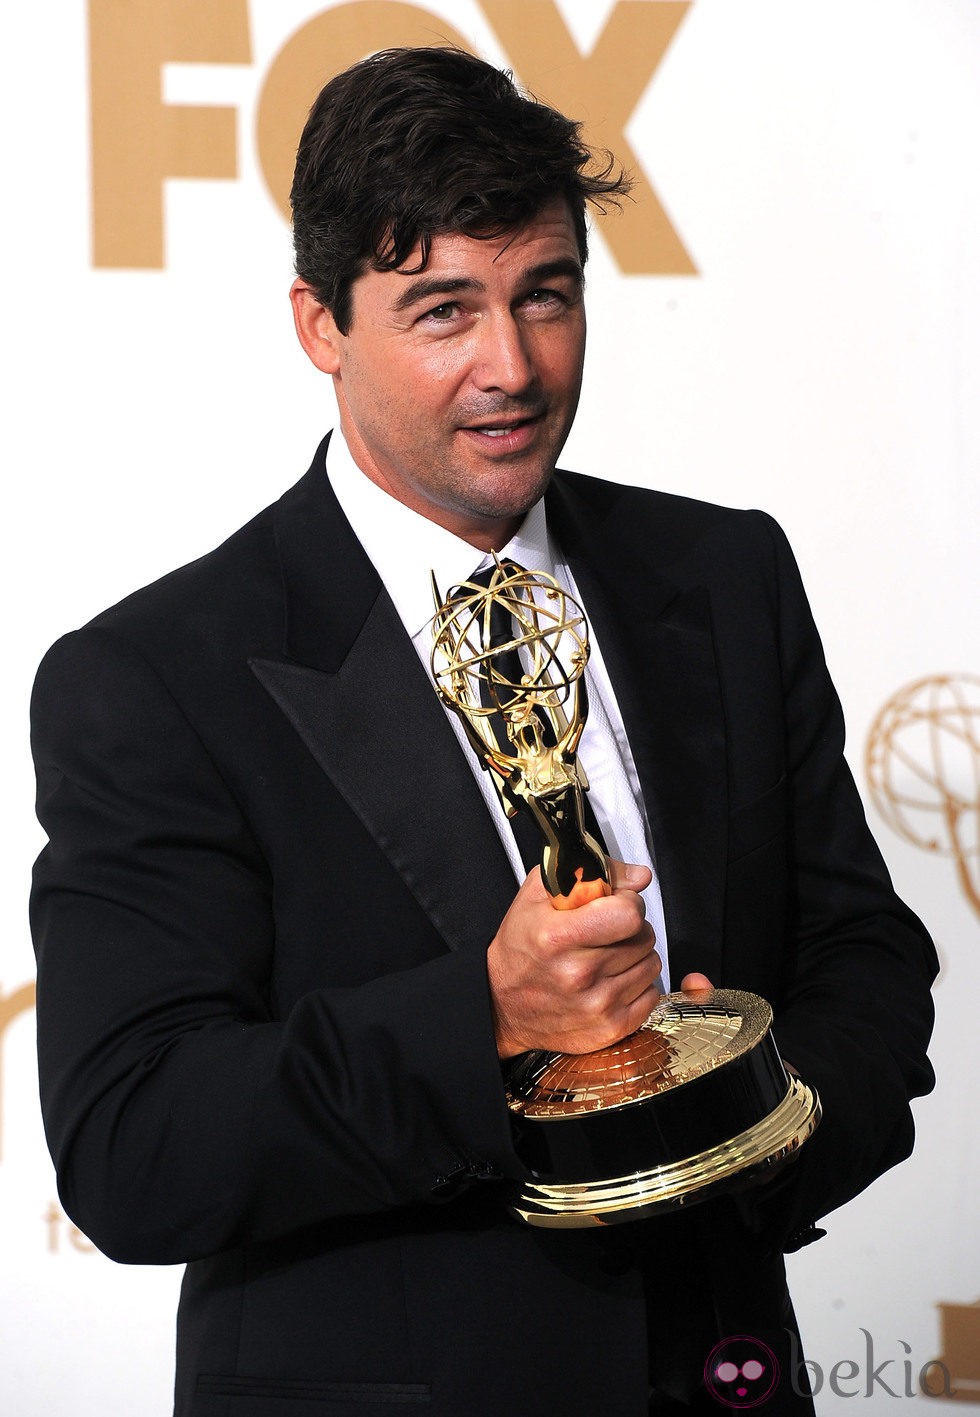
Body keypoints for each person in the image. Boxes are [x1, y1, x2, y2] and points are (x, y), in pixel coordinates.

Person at [30, 46, 936, 1417]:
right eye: (442, 309)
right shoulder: (157, 675)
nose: (511, 365)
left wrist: (739, 1136)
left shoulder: (727, 574)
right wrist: (487, 1022)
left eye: (545, 297)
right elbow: (133, 1143)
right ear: (319, 323)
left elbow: (865, 958)